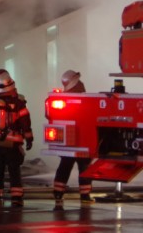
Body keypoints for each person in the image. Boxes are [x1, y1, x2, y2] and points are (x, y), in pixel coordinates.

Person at [0, 70, 33, 207]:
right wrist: (29, 138)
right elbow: (25, 122)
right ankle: (16, 198)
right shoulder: (18, 102)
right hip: (13, 144)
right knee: (14, 171)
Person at [52, 69, 92, 209]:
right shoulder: (83, 98)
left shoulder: (61, 99)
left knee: (65, 165)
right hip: (82, 140)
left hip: (68, 141)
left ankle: (58, 192)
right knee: (84, 168)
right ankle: (85, 195)